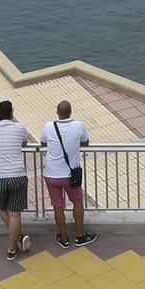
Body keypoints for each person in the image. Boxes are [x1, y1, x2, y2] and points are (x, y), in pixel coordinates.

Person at [40, 101, 96, 249]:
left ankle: (64, 238)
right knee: (77, 203)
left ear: (57, 112)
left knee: (58, 207)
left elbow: (43, 142)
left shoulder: (48, 126)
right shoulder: (78, 125)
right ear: (70, 112)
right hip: (71, 175)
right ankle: (79, 236)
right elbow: (86, 142)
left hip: (51, 174)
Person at [0, 101, 32, 260]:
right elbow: (24, 143)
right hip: (17, 176)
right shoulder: (20, 127)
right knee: (15, 214)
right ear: (12, 113)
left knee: (0, 207)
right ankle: (12, 249)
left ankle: (18, 238)